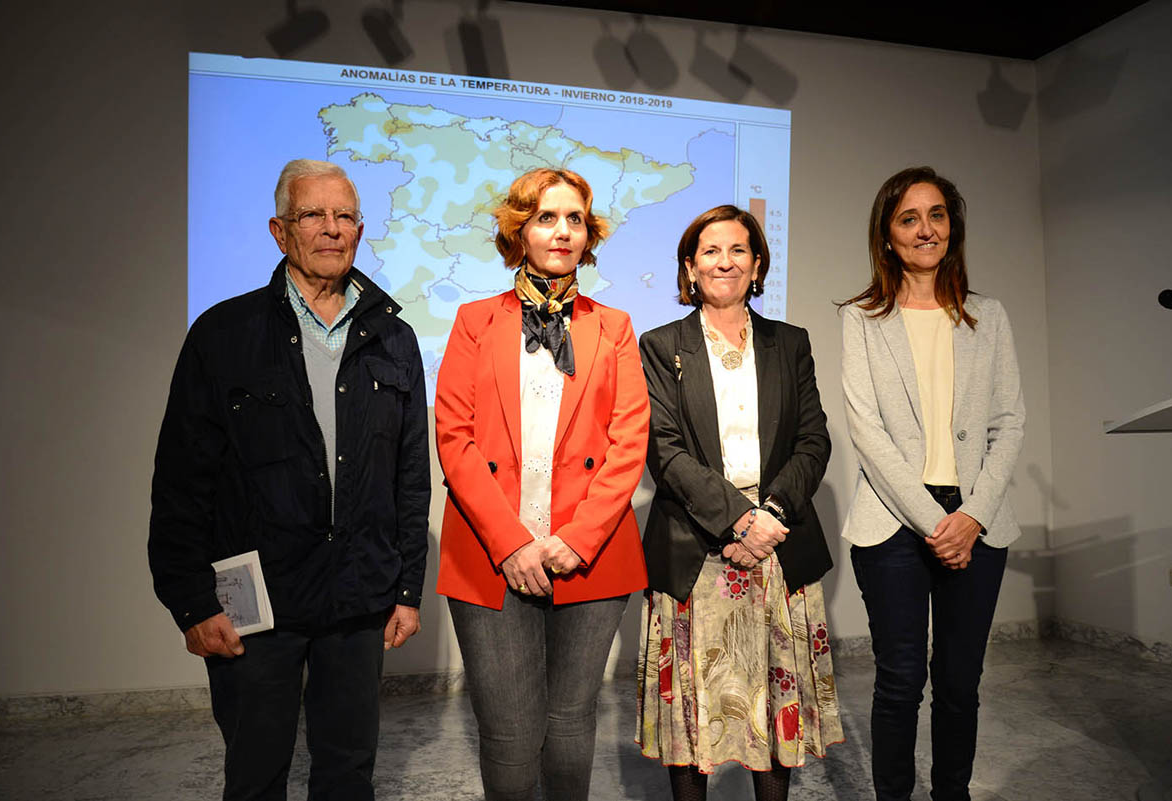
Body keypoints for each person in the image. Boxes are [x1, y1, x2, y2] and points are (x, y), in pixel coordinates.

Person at [148, 159, 430, 801]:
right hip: (255, 604)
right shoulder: (224, 334)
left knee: (347, 776)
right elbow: (181, 479)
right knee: (255, 777)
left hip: (359, 599)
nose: (331, 230)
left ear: (360, 229)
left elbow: (410, 477)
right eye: (313, 215)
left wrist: (407, 588)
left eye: (345, 216)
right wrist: (191, 602)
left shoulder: (394, 337)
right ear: (281, 232)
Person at [434, 167, 650, 801]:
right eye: (546, 218)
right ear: (519, 230)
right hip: (489, 552)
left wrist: (575, 540)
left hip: (590, 553)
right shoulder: (474, 321)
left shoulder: (614, 327)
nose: (562, 231)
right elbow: (455, 439)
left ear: (590, 234)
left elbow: (627, 443)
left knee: (570, 723)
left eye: (575, 219)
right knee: (507, 731)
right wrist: (512, 543)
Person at [636, 205, 843, 801]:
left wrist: (772, 514)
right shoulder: (660, 345)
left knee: (774, 706)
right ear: (689, 266)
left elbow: (813, 438)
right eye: (710, 251)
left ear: (757, 265)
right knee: (691, 718)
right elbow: (664, 448)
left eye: (738, 251)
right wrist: (737, 518)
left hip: (778, 542)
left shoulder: (790, 343)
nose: (724, 261)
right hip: (697, 545)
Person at [840, 166, 1025, 801]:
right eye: (910, 218)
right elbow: (868, 433)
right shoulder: (862, 319)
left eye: (938, 215)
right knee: (898, 681)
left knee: (958, 683)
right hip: (893, 523)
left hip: (978, 521)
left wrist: (970, 516)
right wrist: (934, 522)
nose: (927, 229)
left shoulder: (989, 316)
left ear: (953, 227)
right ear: (888, 236)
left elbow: (1010, 421)